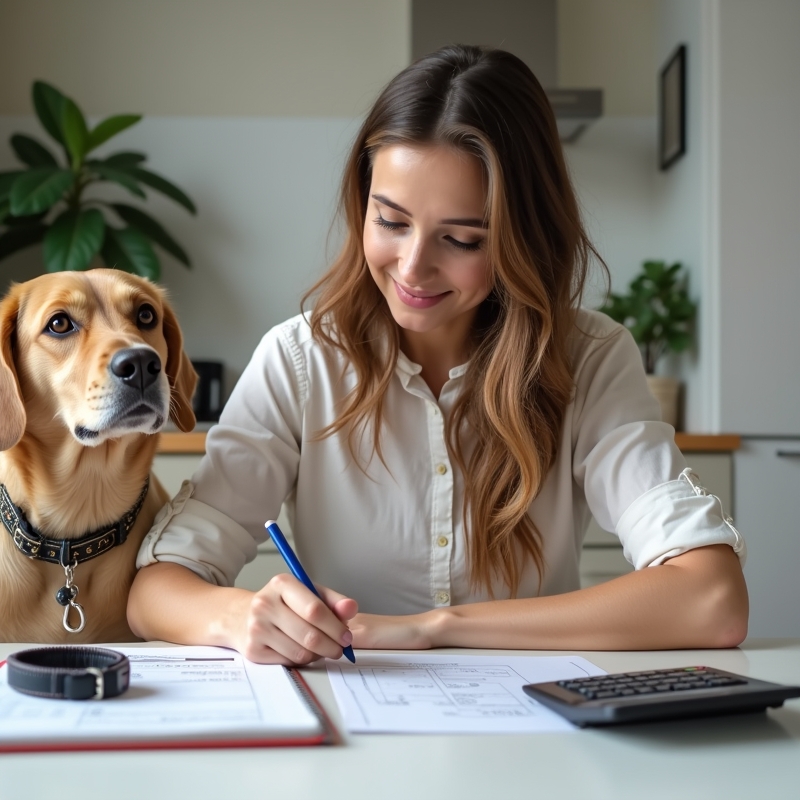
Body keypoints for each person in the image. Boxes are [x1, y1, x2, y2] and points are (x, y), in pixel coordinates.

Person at [127, 45, 748, 664]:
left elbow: (713, 599)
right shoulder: (299, 359)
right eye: (391, 222)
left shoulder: (590, 358)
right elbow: (155, 592)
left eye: (461, 239)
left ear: (522, 237)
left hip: (541, 733)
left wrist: (435, 628)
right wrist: (242, 616)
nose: (414, 267)